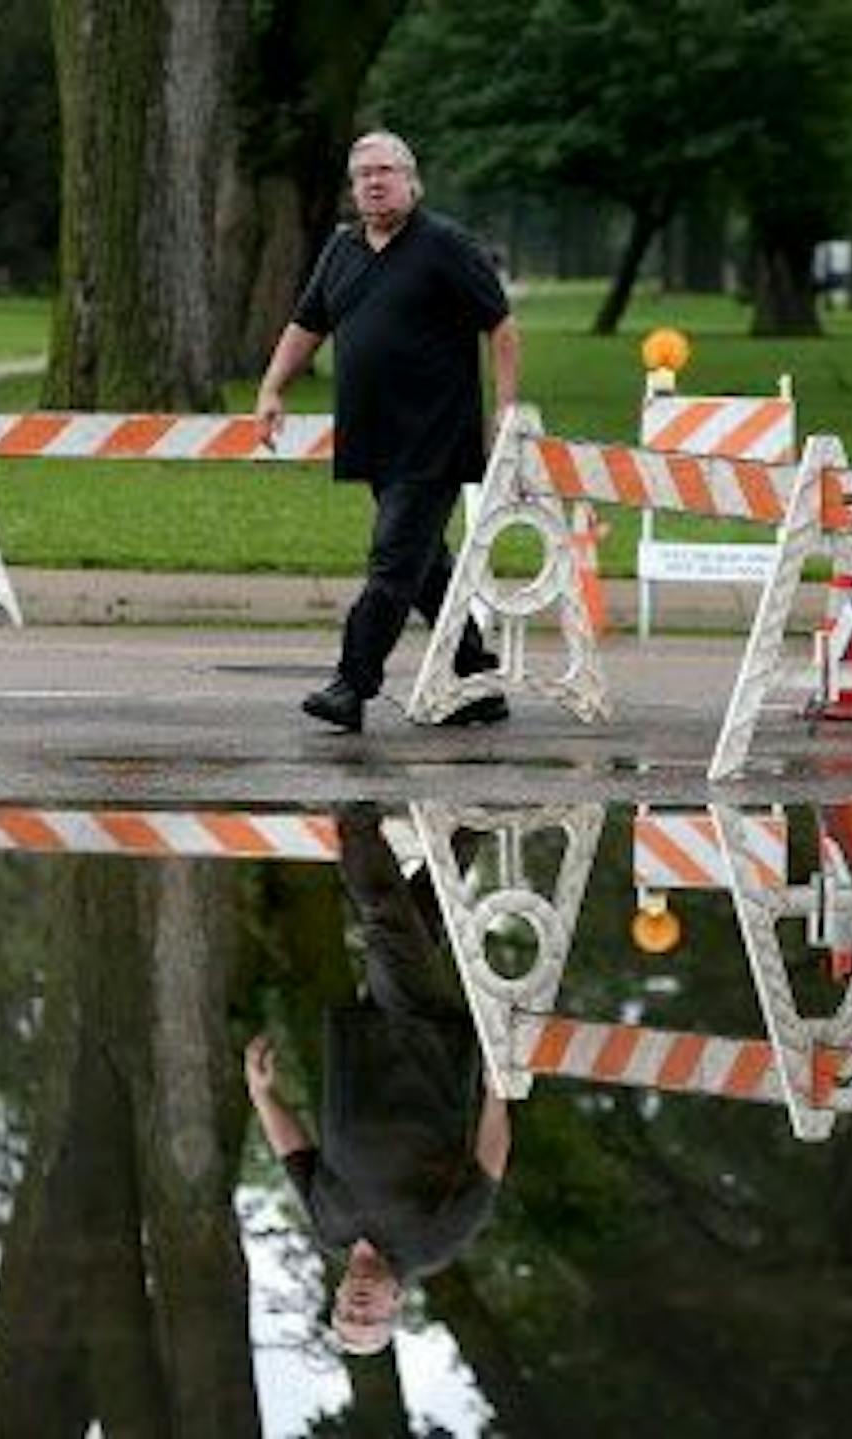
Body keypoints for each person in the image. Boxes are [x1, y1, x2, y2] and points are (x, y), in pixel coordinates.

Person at [255, 130, 522, 734]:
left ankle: (352, 684)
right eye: (363, 174)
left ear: (411, 179)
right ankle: (475, 679)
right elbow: (307, 325)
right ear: (353, 188)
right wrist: (272, 389)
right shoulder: (343, 249)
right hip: (374, 436)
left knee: (394, 559)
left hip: (436, 436)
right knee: (423, 563)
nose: (374, 182)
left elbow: (501, 326)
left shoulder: (446, 245)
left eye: (386, 171)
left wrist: (505, 406)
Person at [243, 804, 511, 1355]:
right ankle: (355, 815)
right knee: (385, 921)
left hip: (366, 1041)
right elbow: (488, 1168)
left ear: (338, 1294)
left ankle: (478, 819)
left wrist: (262, 1095)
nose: (358, 1309)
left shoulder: (329, 1226)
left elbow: (296, 1154)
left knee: (418, 918)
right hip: (427, 1047)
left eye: (346, 1313)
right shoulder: (432, 1244)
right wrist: (496, 1093)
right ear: (396, 1307)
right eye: (370, 1321)